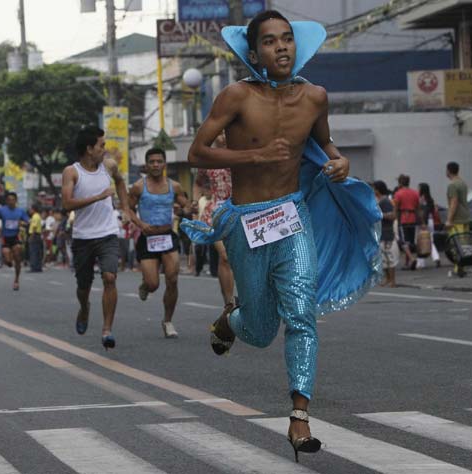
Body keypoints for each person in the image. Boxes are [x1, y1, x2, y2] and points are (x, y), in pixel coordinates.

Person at [180, 10, 381, 462]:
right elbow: (197, 152)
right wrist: (254, 156)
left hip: (293, 215)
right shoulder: (235, 96)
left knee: (302, 314)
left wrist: (340, 160)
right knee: (259, 330)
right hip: (247, 219)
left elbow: (325, 145)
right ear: (254, 53)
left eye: (287, 39)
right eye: (270, 42)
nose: (281, 47)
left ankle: (299, 416)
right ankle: (229, 320)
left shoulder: (315, 97)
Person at [61, 125, 132, 350]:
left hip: (107, 233)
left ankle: (106, 330)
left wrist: (126, 209)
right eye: (101, 145)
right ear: (89, 149)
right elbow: (67, 204)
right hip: (83, 237)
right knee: (84, 286)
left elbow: (120, 182)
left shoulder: (108, 166)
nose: (105, 149)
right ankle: (84, 308)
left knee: (110, 277)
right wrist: (98, 196)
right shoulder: (71, 172)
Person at [128, 147, 189, 339]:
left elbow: (185, 205)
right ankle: (145, 286)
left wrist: (183, 210)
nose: (155, 164)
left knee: (172, 278)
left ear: (164, 164)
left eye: (159, 161)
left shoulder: (174, 186)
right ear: (146, 165)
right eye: (152, 161)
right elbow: (128, 209)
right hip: (147, 238)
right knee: (154, 283)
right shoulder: (138, 186)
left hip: (167, 236)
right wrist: (140, 224)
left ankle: (168, 321)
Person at [192, 132, 236, 308]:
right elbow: (198, 182)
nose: (224, 136)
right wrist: (195, 202)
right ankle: (229, 304)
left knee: (242, 258)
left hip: (240, 211)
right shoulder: (208, 158)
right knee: (224, 257)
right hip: (215, 212)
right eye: (220, 132)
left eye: (227, 132)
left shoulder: (240, 154)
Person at [0, 192, 29, 290]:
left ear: (16, 201)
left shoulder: (20, 211)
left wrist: (22, 223)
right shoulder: (1, 210)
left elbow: (27, 221)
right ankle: (8, 260)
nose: (11, 201)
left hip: (15, 237)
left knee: (18, 254)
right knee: (8, 259)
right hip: (5, 237)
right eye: (9, 199)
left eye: (13, 199)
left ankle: (16, 280)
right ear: (6, 201)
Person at [445, 162, 470, 276]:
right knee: (464, 243)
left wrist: (449, 219)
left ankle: (458, 268)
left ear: (449, 171)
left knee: (456, 244)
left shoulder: (452, 185)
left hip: (457, 219)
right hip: (465, 217)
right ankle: (462, 266)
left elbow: (453, 202)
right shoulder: (463, 183)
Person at [373, 181, 398, 287]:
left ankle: (392, 280)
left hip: (387, 232)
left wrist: (380, 215)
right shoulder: (380, 200)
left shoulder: (385, 201)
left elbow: (392, 215)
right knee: (384, 257)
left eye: (374, 188)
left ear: (378, 190)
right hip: (382, 232)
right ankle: (388, 279)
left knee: (389, 256)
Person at [393, 174, 419, 270]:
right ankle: (407, 263)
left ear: (400, 182)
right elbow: (418, 208)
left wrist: (394, 218)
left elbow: (395, 208)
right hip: (413, 219)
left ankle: (412, 259)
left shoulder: (398, 194)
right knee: (410, 242)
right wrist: (422, 222)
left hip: (403, 219)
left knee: (404, 242)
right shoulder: (415, 193)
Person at [416, 183, 440, 269]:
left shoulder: (420, 199)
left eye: (418, 188)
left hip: (423, 222)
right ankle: (436, 257)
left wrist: (422, 222)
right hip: (431, 221)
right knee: (430, 240)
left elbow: (421, 212)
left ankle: (421, 262)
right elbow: (433, 211)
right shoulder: (430, 199)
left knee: (420, 241)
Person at [27, 204, 43, 272]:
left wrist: (31, 236)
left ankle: (34, 267)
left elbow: (34, 227)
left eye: (31, 209)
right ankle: (38, 267)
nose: (30, 211)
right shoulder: (37, 216)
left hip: (34, 235)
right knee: (37, 252)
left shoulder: (35, 217)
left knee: (33, 251)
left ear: (33, 209)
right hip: (37, 235)